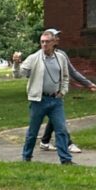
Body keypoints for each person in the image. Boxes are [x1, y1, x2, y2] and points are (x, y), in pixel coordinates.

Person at [38, 29, 96, 154]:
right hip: (42, 96)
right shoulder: (39, 56)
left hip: (58, 93)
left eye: (58, 36)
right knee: (55, 120)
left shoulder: (61, 55)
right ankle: (68, 143)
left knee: (55, 118)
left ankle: (45, 141)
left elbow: (72, 72)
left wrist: (88, 84)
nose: (58, 39)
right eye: (56, 36)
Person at [20, 31, 73, 165]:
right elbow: (20, 73)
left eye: (47, 41)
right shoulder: (34, 58)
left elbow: (66, 77)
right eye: (42, 41)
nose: (44, 44)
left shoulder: (60, 58)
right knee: (33, 131)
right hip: (39, 100)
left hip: (56, 100)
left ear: (54, 42)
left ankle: (65, 159)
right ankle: (26, 157)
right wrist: (16, 63)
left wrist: (63, 91)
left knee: (61, 130)